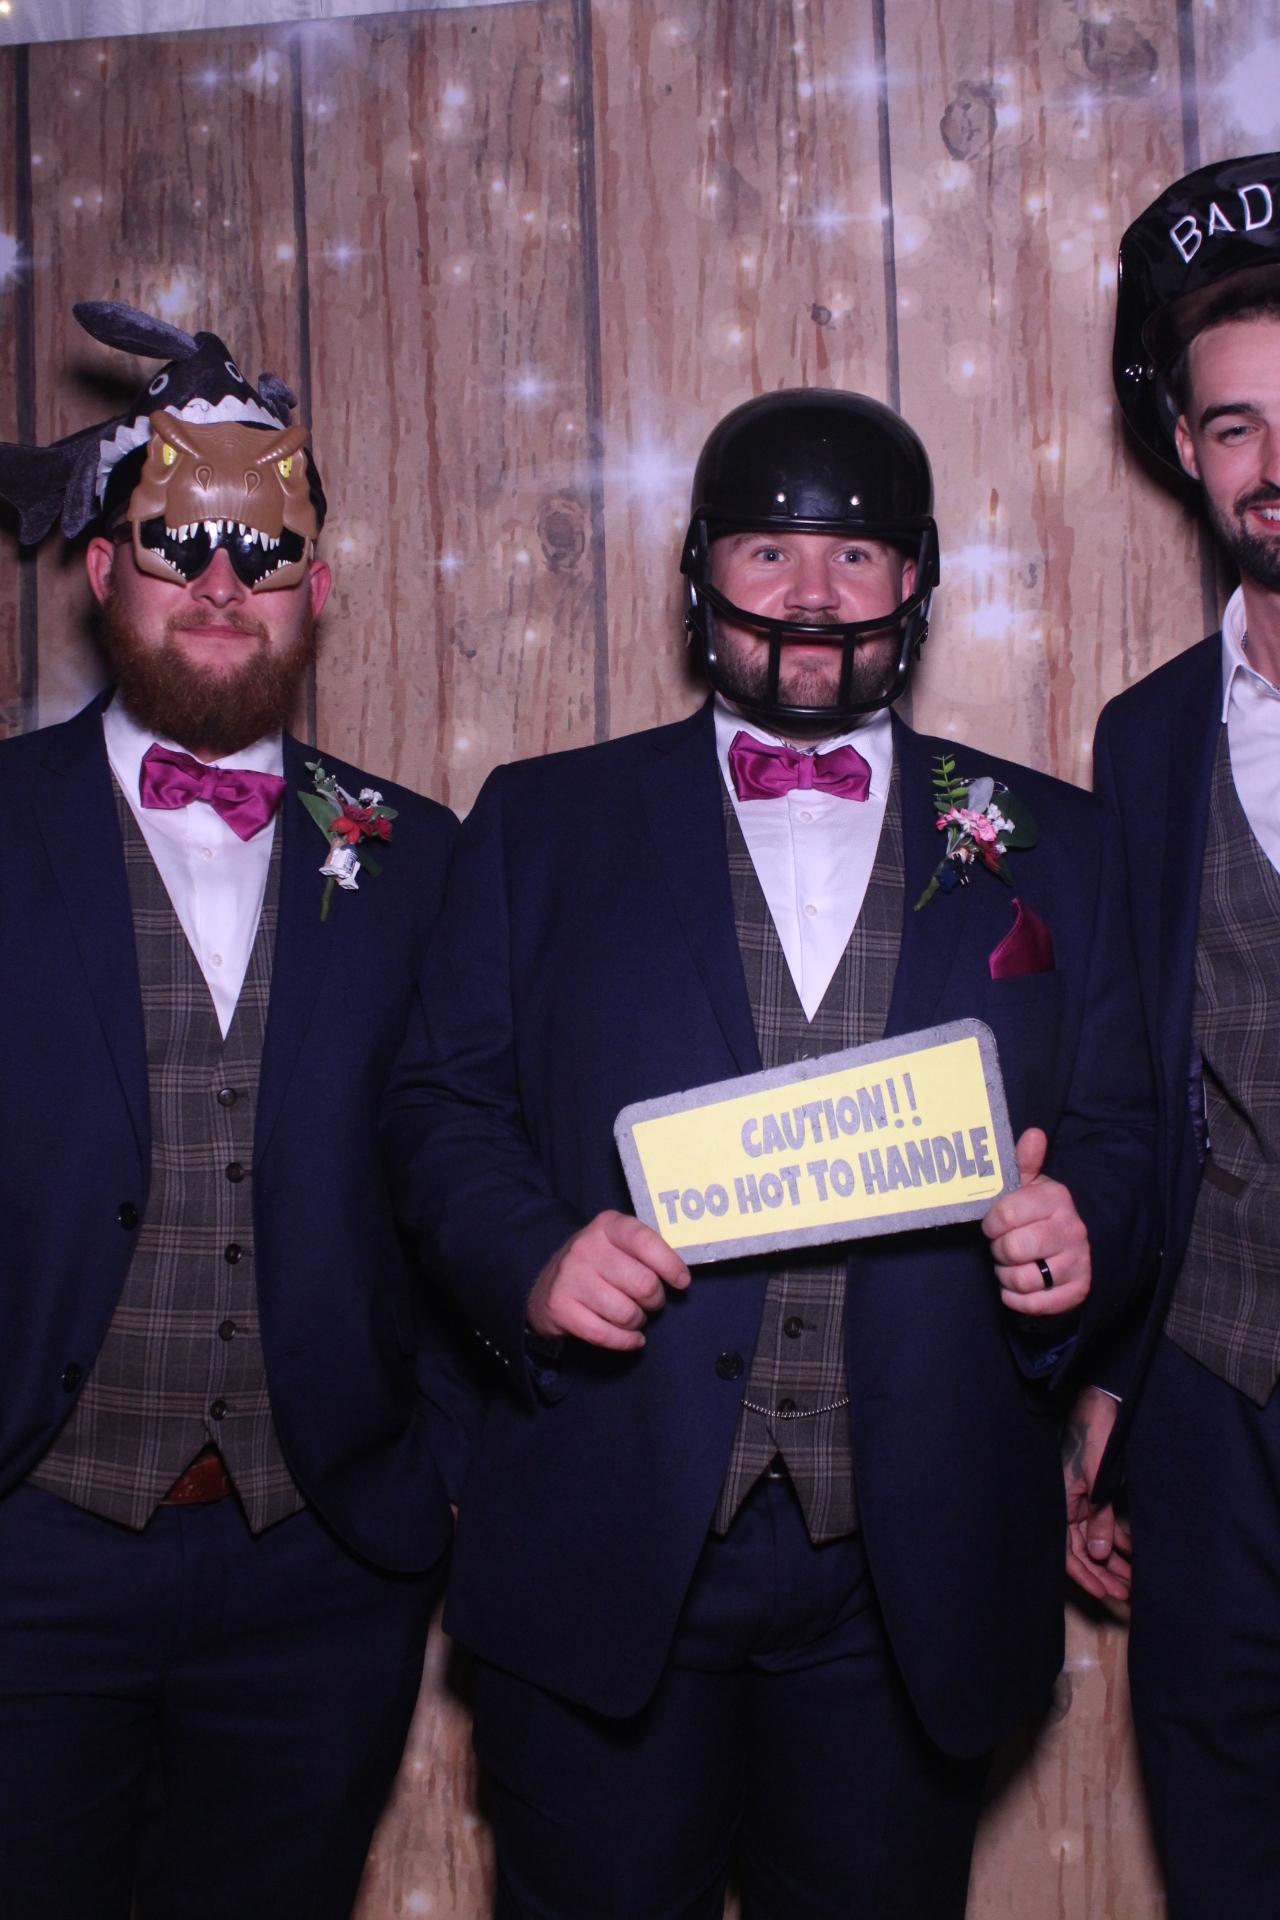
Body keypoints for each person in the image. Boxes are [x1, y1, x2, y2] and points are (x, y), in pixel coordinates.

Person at [386, 387, 1155, 1918]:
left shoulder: (1055, 842)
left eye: (854, 557)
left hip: (915, 1566)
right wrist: (533, 1259)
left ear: (914, 580)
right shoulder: (539, 824)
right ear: (701, 573)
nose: (811, 595)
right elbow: (438, 1106)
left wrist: (1086, 1231)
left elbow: (1127, 1129)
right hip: (608, 1527)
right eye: (768, 551)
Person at [0, 301, 470, 1920]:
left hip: (322, 1566)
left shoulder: (426, 859)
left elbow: (476, 1166)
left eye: (263, 554)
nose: (219, 583)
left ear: (315, 590)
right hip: (28, 1547)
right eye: (176, 542)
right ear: (100, 569)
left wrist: (441, 1473)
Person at [1063, 152, 1280, 1915]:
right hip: (1220, 1403)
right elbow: (1142, 1086)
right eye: (1234, 426)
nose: (1276, 460)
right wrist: (1112, 1389)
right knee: (1225, 1848)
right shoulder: (1144, 741)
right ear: (1190, 455)